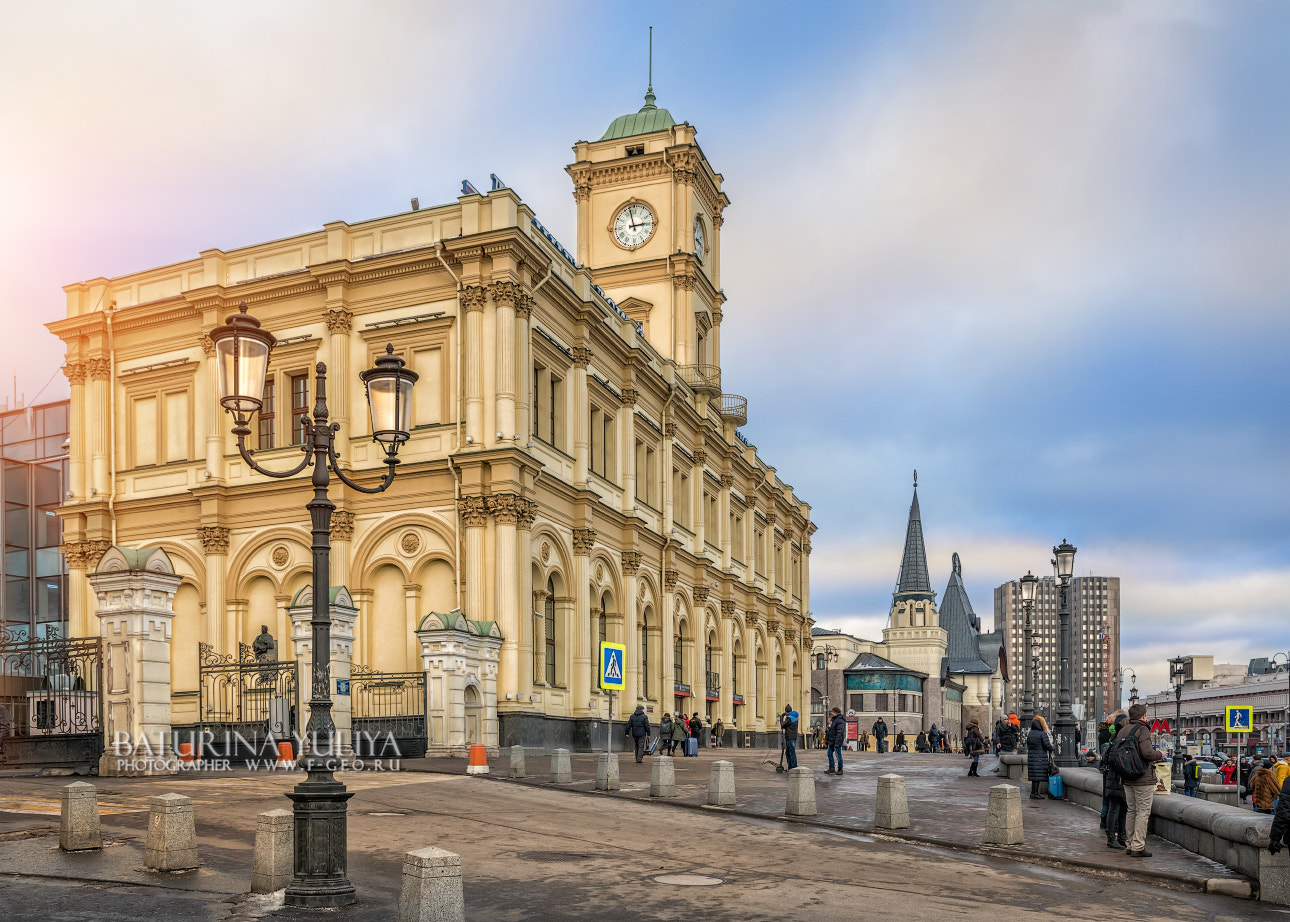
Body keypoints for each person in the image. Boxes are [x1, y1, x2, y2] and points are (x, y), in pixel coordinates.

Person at [1118, 703, 1165, 857]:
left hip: (1126, 776)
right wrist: (1160, 754)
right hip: (1142, 776)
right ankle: (1138, 846)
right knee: (1142, 812)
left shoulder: (1123, 729)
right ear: (1144, 716)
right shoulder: (1142, 729)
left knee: (1131, 811)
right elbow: (1148, 753)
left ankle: (1129, 844)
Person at [1100, 712, 1129, 848]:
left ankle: (1120, 836)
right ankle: (1113, 837)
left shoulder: (1113, 739)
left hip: (1114, 778)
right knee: (1116, 808)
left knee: (1121, 808)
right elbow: (1110, 759)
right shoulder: (1119, 740)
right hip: (1118, 779)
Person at [1026, 716, 1055, 799]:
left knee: (1034, 777)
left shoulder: (1030, 733)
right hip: (1040, 757)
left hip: (1032, 757)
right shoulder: (1042, 734)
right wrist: (1053, 748)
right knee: (1037, 777)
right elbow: (1047, 745)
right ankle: (1035, 793)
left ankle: (1034, 793)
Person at [825, 706, 846, 775]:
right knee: (829, 754)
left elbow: (840, 732)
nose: (831, 713)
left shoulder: (840, 720)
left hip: (836, 741)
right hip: (831, 740)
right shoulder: (833, 719)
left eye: (832, 712)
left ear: (835, 713)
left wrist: (837, 742)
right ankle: (831, 768)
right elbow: (829, 730)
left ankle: (840, 769)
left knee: (838, 755)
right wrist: (828, 727)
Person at [780, 704, 800, 770]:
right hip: (793, 736)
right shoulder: (794, 717)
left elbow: (783, 725)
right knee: (788, 752)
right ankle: (791, 766)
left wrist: (781, 718)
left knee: (790, 752)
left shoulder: (789, 718)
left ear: (786, 711)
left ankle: (793, 766)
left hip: (790, 737)